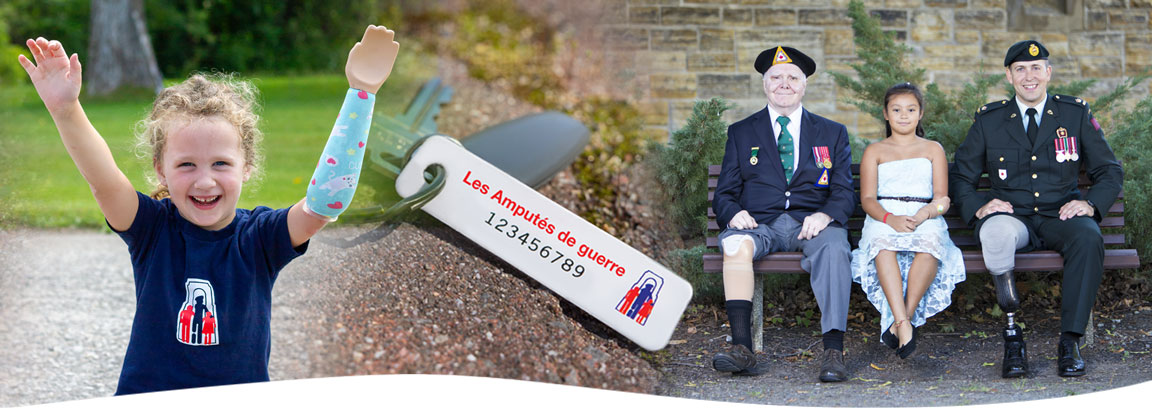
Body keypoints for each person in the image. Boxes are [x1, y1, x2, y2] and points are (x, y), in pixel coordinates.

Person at [17, 25, 399, 393]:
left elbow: (324, 204)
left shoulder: (261, 238)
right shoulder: (153, 229)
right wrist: (66, 110)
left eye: (220, 164)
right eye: (186, 165)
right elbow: (104, 182)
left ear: (246, 166)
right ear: (160, 169)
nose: (204, 181)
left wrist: (361, 94)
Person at [950, 40, 1123, 378]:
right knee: (996, 233)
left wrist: (1090, 204)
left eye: (1035, 68)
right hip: (1013, 218)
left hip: (1060, 215)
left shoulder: (1074, 114)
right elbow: (960, 175)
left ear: (1048, 72)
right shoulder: (991, 119)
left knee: (1088, 239)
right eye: (1020, 69)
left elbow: (1109, 170)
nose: (1028, 76)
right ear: (1009, 76)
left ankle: (1070, 342)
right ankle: (1013, 340)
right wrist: (980, 206)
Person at [711, 46, 854, 382]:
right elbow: (725, 193)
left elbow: (844, 191)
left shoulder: (832, 132)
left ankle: (834, 351)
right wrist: (732, 213)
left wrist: (826, 215)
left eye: (793, 77)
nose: (784, 83)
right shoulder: (742, 132)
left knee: (835, 248)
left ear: (804, 86)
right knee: (734, 246)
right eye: (776, 77)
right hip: (760, 224)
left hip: (812, 224)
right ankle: (742, 349)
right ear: (765, 84)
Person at [850, 83, 966, 359]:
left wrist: (925, 214)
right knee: (882, 245)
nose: (904, 115)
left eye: (911, 109)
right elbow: (867, 199)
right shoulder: (874, 151)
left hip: (923, 214)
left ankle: (902, 321)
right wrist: (890, 219)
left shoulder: (933, 149)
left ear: (920, 113)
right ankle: (904, 325)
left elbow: (942, 198)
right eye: (897, 110)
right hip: (884, 215)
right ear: (886, 114)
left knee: (931, 243)